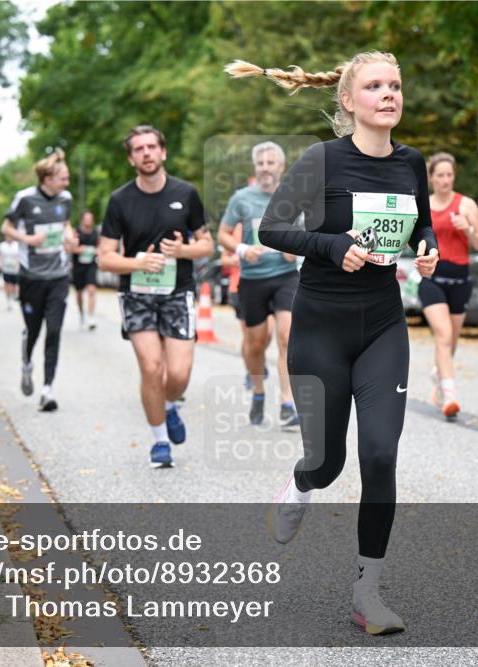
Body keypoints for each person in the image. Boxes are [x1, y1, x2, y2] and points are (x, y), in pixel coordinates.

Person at [227, 51, 439, 634]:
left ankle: (367, 591)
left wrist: (428, 247)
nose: (389, 94)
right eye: (375, 86)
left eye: (395, 84)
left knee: (379, 454)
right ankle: (301, 483)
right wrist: (330, 245)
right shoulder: (322, 159)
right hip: (319, 325)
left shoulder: (410, 162)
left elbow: (421, 222)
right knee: (328, 460)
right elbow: (271, 229)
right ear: (349, 101)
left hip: (383, 327)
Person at [98, 125, 214, 468]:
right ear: (131, 158)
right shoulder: (120, 200)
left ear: (163, 152)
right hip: (137, 294)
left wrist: (183, 249)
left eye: (151, 147)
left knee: (178, 375)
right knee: (152, 367)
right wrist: (137, 262)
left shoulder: (186, 193)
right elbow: (104, 257)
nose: (146, 153)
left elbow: (207, 245)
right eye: (138, 149)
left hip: (178, 292)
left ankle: (168, 404)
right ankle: (160, 442)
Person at [218, 141, 301, 429]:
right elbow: (223, 234)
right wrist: (242, 250)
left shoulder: (294, 196)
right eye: (261, 164)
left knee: (287, 338)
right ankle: (258, 392)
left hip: (286, 275)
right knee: (255, 345)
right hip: (253, 278)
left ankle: (287, 404)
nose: (266, 168)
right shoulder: (242, 198)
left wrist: (296, 247)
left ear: (281, 166)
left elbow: (305, 233)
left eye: (271, 163)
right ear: (256, 167)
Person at [1, 149, 77, 412]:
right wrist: (28, 240)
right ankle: (26, 364)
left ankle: (47, 390)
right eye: (63, 178)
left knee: (54, 331)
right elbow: (6, 228)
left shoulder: (65, 199)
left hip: (57, 275)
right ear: (47, 178)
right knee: (33, 330)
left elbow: (66, 223)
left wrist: (69, 236)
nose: (67, 183)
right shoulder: (24, 198)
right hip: (31, 276)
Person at [421, 153, 478, 419]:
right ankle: (450, 396)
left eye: (449, 175)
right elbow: (415, 239)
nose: (445, 180)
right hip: (432, 279)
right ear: (431, 177)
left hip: (460, 280)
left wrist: (468, 229)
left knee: (452, 342)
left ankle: (439, 376)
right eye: (440, 175)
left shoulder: (466, 205)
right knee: (443, 334)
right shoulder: (423, 205)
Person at [71, 210, 100, 331]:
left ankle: (91, 317)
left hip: (91, 265)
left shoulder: (95, 233)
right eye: (86, 218)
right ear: (82, 219)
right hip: (78, 266)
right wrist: (80, 249)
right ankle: (81, 314)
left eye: (90, 218)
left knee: (92, 290)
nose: (88, 221)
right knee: (79, 293)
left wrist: (95, 251)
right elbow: (71, 248)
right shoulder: (76, 232)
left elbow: (100, 248)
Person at [0, 236, 21, 310]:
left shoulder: (17, 245)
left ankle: (14, 296)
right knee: (8, 285)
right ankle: (9, 300)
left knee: (16, 286)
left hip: (16, 269)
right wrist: (0, 265)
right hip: (6, 269)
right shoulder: (2, 245)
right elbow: (0, 256)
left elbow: (20, 256)